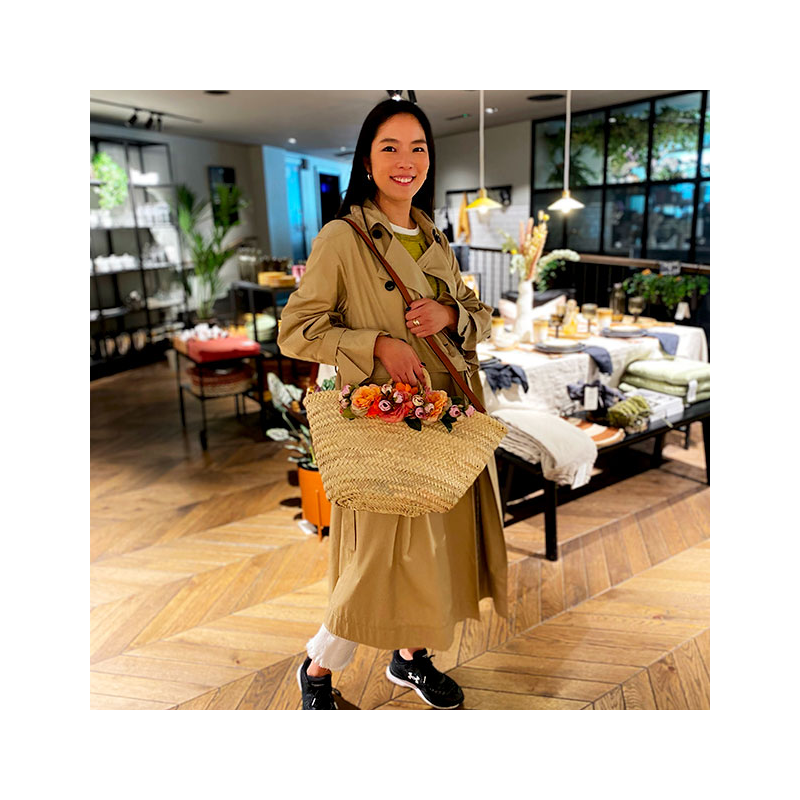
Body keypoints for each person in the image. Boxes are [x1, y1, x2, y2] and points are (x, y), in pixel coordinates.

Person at [277, 98, 508, 710]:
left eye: (418, 148)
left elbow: (480, 315)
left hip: (444, 417)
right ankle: (317, 670)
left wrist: (450, 314)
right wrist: (376, 343)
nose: (406, 161)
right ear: (366, 160)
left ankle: (410, 658)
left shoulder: (434, 234)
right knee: (376, 557)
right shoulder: (342, 237)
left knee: (432, 547)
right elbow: (295, 331)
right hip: (384, 418)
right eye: (390, 148)